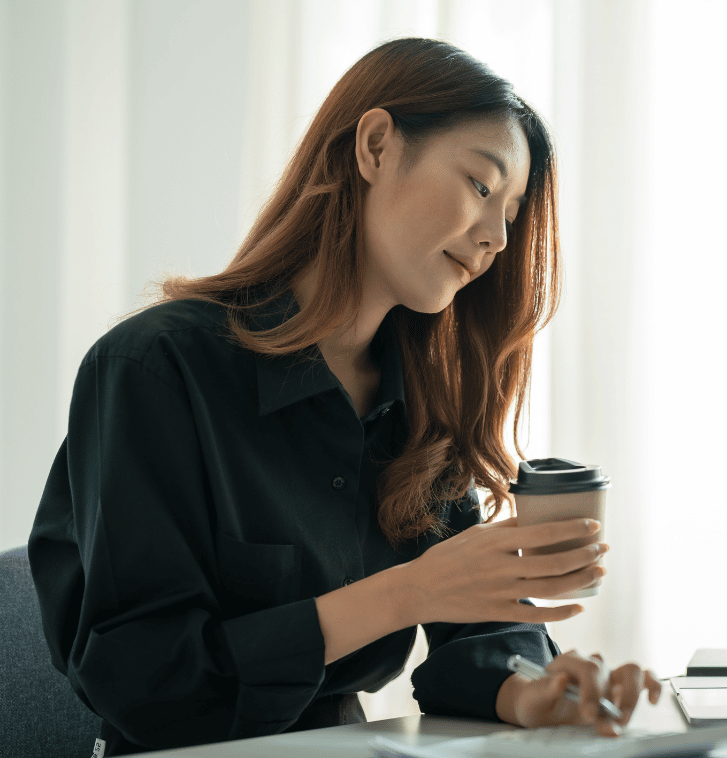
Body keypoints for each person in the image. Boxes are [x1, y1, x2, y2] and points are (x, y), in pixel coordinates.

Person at [27, 37, 659, 756]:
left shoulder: (422, 401)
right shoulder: (157, 369)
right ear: (377, 146)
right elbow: (146, 682)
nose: (496, 238)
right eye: (483, 187)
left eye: (511, 214)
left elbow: (472, 632)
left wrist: (531, 691)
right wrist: (408, 593)